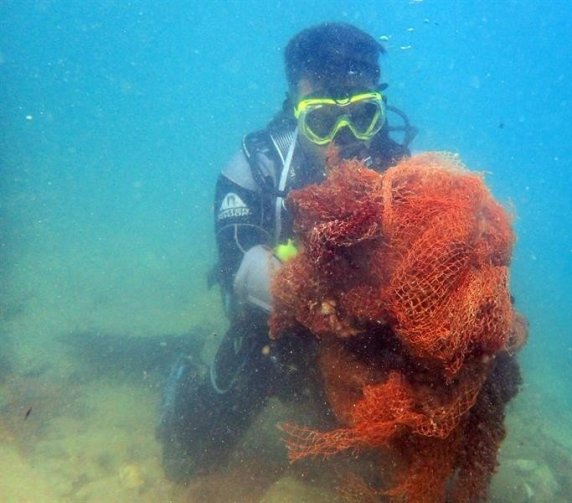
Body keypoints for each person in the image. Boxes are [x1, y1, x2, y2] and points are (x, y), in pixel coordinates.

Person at [156, 22, 416, 482]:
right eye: (322, 120)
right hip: (274, 330)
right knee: (193, 453)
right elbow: (236, 261)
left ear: (379, 105)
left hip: (366, 333)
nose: (344, 137)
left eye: (362, 116)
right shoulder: (255, 165)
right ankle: (181, 379)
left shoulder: (404, 173)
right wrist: (318, 299)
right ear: (295, 106)